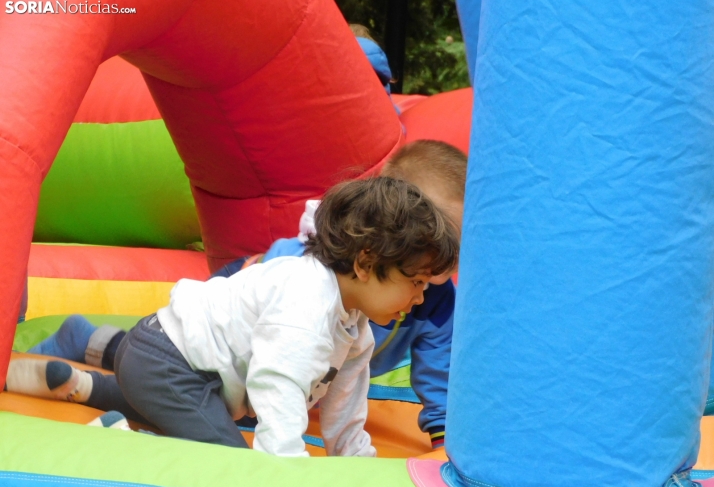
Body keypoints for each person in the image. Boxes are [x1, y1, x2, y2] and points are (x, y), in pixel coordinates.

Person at [6, 177, 460, 458]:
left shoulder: (354, 324)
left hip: (177, 369)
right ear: (364, 262)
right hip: (167, 361)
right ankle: (118, 437)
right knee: (226, 457)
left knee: (202, 412)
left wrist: (357, 463)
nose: (420, 298)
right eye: (415, 281)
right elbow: (278, 386)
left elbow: (345, 404)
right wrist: (282, 470)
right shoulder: (307, 305)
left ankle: (87, 386)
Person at [214, 140, 466, 449]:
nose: (451, 253)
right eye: (443, 236)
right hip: (245, 292)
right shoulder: (306, 272)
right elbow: (250, 331)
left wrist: (444, 449)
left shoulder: (438, 300)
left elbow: (441, 380)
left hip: (315, 368)